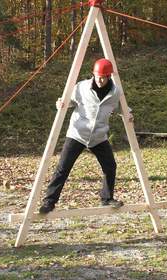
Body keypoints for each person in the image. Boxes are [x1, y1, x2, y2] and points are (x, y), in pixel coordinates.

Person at [39, 58, 131, 214]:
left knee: (110, 166)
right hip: (77, 134)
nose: (100, 80)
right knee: (63, 168)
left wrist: (129, 114)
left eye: (103, 77)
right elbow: (68, 101)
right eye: (97, 76)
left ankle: (106, 198)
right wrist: (61, 103)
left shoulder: (116, 92)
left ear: (109, 76)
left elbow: (123, 108)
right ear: (93, 74)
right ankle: (49, 201)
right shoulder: (81, 87)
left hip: (99, 137)